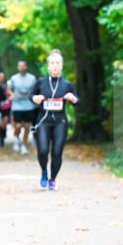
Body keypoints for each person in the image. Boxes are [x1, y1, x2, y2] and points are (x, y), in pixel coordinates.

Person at [31, 50, 78, 190]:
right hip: (43, 121)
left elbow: (77, 101)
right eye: (52, 63)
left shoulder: (66, 84)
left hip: (60, 122)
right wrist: (35, 98)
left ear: (62, 65)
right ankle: (44, 172)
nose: (55, 66)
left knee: (57, 152)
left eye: (58, 63)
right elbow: (31, 96)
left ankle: (53, 179)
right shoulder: (41, 82)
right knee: (43, 150)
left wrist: (72, 98)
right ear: (48, 66)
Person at [9, 60, 37, 155]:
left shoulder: (32, 78)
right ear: (17, 67)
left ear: (26, 67)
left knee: (27, 127)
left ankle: (24, 145)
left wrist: (35, 98)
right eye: (19, 66)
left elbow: (36, 89)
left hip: (29, 105)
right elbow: (8, 89)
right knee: (18, 126)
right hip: (17, 105)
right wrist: (11, 94)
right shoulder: (14, 78)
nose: (21, 67)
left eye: (23, 66)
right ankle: (16, 139)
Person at [0, 71, 12, 149]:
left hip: (6, 107)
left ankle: (2, 138)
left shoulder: (7, 86)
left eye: (2, 77)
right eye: (0, 77)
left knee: (4, 123)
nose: (1, 78)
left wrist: (10, 96)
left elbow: (10, 93)